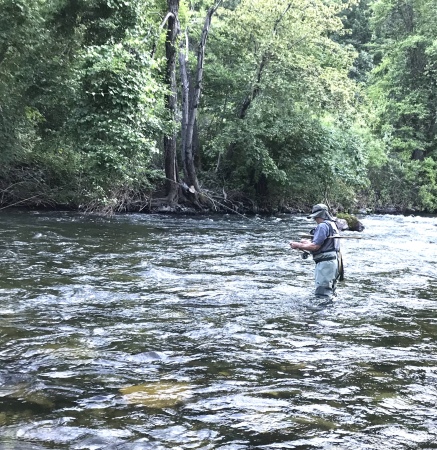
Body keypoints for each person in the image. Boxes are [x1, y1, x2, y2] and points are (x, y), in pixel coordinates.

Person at [289, 204, 343, 304]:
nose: (315, 219)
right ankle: (331, 315)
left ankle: (321, 317)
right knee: (331, 293)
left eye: (315, 217)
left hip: (325, 265)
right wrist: (307, 243)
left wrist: (298, 245)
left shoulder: (322, 226)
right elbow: (324, 244)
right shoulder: (332, 224)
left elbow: (315, 247)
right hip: (334, 263)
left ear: (319, 215)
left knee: (322, 295)